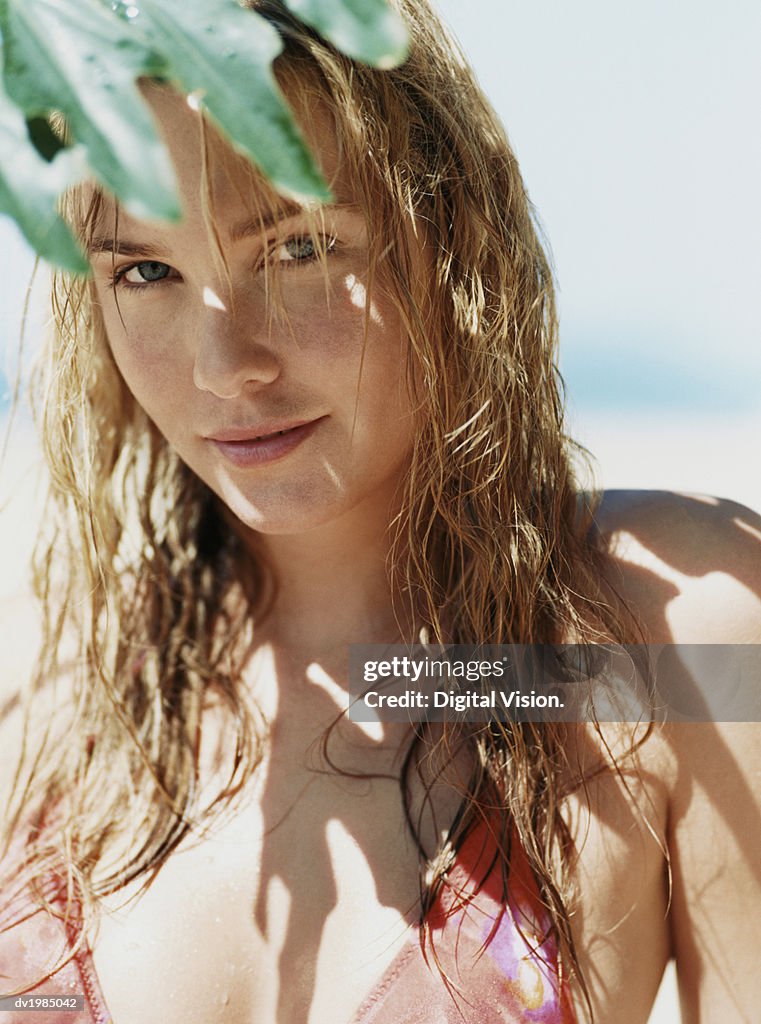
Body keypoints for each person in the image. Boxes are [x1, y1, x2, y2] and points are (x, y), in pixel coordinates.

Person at [1, 1, 760, 1021]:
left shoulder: (669, 646)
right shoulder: (49, 708)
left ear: (448, 235)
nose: (226, 368)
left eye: (299, 248)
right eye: (146, 270)